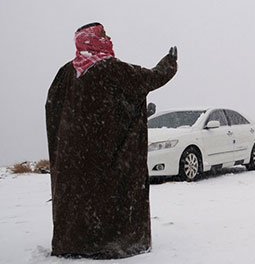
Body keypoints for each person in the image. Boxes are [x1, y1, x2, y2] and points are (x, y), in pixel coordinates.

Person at [45, 22, 178, 259]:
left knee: (81, 201)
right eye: (104, 35)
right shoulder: (111, 70)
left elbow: (53, 109)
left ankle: (77, 241)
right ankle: (108, 241)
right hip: (106, 157)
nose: (109, 38)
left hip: (75, 161)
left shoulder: (66, 74)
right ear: (92, 40)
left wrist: (70, 143)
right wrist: (168, 63)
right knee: (109, 198)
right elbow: (148, 79)